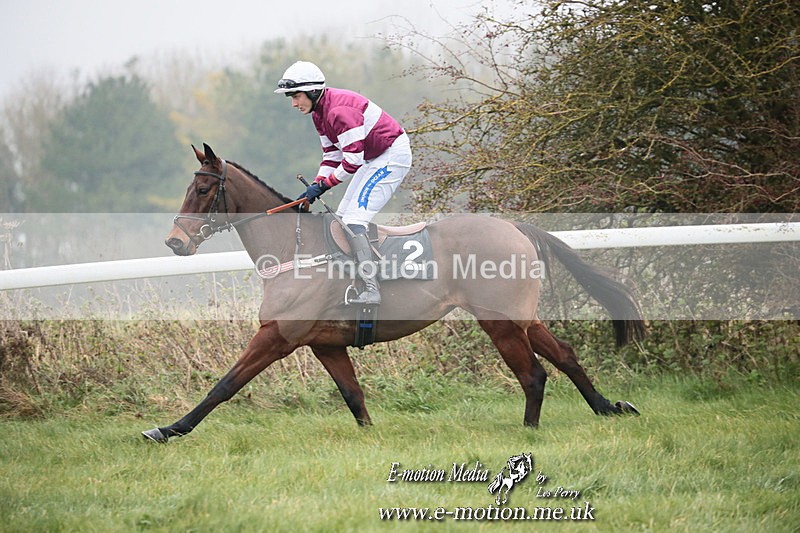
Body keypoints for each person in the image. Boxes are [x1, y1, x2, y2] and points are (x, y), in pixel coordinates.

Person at [275, 60, 412, 306]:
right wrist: (315, 185)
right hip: (372, 157)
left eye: (296, 96)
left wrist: (323, 186)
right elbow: (332, 156)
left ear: (312, 91)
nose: (294, 103)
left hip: (391, 156)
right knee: (342, 219)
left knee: (354, 221)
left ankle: (372, 288)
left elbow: (352, 161)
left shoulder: (338, 112)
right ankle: (354, 278)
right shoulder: (318, 114)